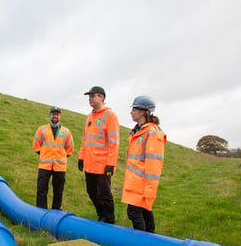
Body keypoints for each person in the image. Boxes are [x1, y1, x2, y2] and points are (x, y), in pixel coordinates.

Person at [121, 96, 166, 232]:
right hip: (134, 183)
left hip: (142, 185)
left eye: (133, 109)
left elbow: (154, 166)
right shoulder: (138, 132)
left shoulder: (152, 134)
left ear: (142, 112)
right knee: (144, 212)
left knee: (135, 213)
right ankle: (150, 242)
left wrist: (149, 191)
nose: (131, 112)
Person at [78, 86, 120, 224]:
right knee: (91, 192)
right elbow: (85, 140)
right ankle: (101, 214)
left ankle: (109, 219)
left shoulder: (110, 116)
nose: (90, 99)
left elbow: (114, 143)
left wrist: (111, 163)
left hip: (103, 165)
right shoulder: (89, 117)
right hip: (89, 163)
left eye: (93, 96)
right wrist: (81, 157)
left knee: (104, 194)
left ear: (101, 97)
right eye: (89, 97)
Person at [32, 106, 74, 209]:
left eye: (57, 114)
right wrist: (44, 154)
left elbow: (70, 148)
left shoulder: (66, 132)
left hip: (60, 166)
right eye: (53, 114)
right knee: (41, 190)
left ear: (60, 116)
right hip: (44, 165)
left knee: (58, 191)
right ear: (50, 115)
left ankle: (56, 212)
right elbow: (36, 144)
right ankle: (41, 212)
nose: (55, 116)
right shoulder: (41, 129)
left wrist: (61, 157)